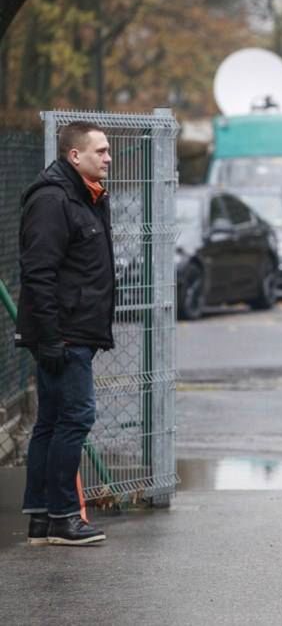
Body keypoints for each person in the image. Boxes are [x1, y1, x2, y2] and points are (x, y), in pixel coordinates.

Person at [16, 121, 114, 546]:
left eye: (108, 151)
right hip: (65, 333)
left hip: (72, 331)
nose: (108, 158)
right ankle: (63, 517)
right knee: (74, 418)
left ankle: (42, 519)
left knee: (52, 422)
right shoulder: (54, 200)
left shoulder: (86, 197)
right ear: (75, 156)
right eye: (100, 151)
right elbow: (39, 272)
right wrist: (52, 336)